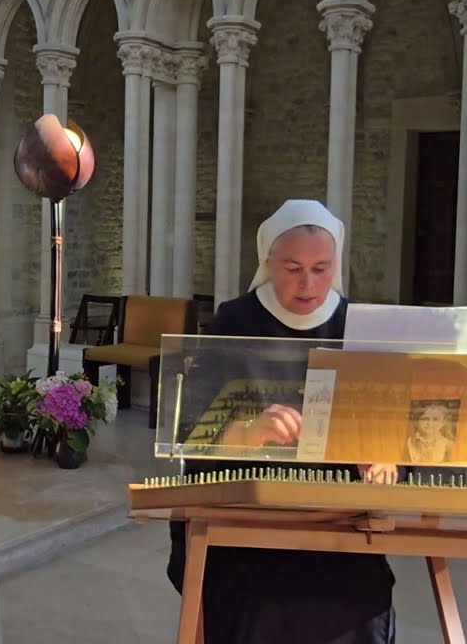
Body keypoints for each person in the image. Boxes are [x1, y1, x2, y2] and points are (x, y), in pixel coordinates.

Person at [166, 199, 402, 644]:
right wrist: (248, 433)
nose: (308, 283)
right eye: (293, 267)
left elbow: (393, 426)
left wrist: (386, 458)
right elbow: (188, 434)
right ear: (267, 262)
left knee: (362, 602)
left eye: (321, 268)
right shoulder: (233, 323)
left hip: (339, 524)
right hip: (248, 523)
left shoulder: (356, 326)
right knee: (256, 602)